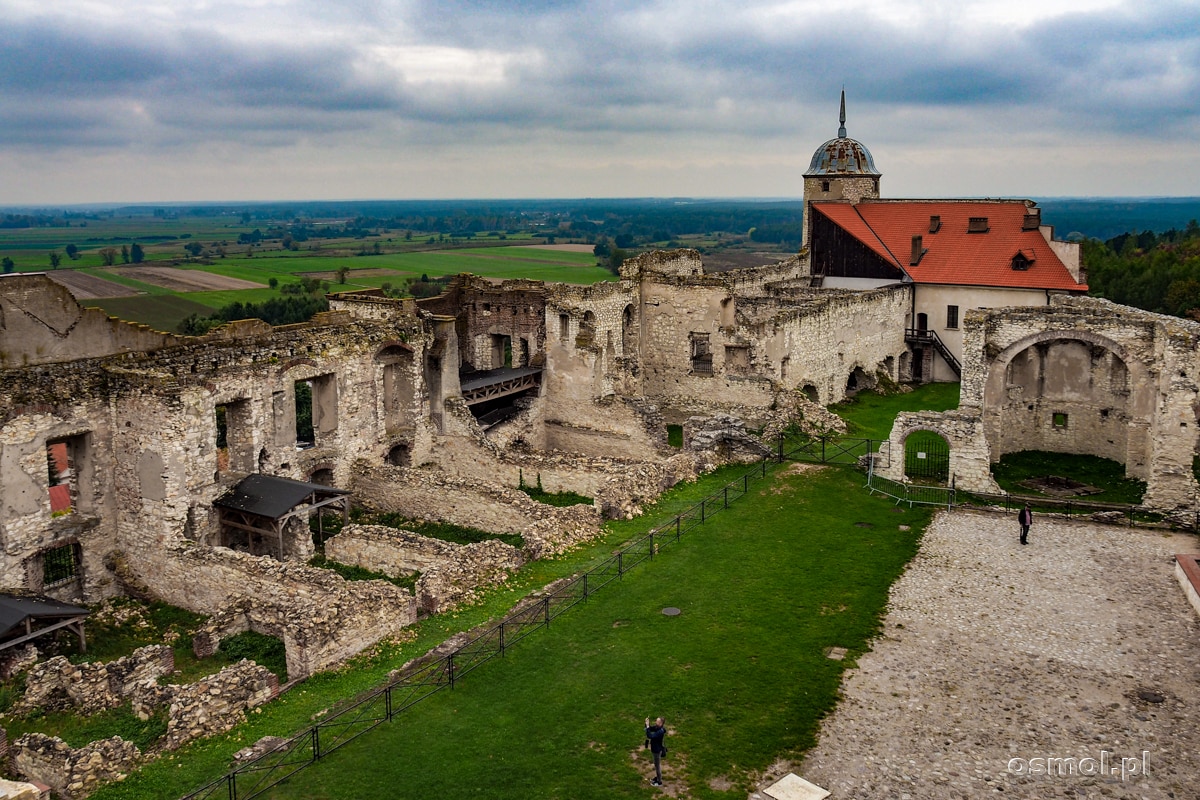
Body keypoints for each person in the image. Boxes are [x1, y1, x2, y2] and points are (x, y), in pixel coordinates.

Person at [644, 716, 666, 786]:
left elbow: (650, 736)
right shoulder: (658, 728)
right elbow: (650, 728)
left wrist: (647, 727)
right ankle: (658, 778)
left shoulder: (660, 732)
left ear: (661, 723)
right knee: (656, 765)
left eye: (657, 721)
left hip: (656, 751)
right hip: (655, 749)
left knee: (657, 766)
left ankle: (659, 781)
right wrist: (647, 724)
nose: (656, 722)